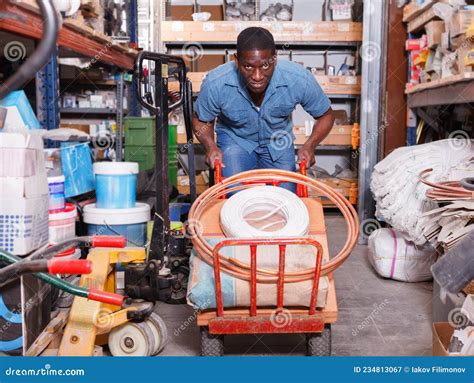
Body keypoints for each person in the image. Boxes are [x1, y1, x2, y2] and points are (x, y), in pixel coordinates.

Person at [192, 27, 335, 192]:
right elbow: (201, 120)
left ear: (275, 58)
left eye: (265, 66)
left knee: (285, 201)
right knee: (234, 200)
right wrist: (210, 146)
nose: (257, 76)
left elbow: (326, 115)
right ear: (237, 60)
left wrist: (310, 145)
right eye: (248, 67)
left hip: (278, 141)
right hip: (236, 140)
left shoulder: (298, 79)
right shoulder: (216, 83)